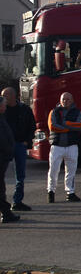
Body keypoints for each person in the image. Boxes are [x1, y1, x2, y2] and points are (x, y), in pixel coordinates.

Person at [2, 86, 36, 211]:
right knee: (2, 176)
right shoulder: (2, 111)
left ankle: (17, 201)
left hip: (20, 144)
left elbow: (32, 125)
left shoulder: (24, 109)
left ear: (13, 96)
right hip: (5, 147)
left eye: (5, 95)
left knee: (20, 176)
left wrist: (27, 141)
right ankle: (3, 203)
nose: (3, 98)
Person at [47, 92, 81, 202]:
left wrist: (63, 124)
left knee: (71, 170)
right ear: (60, 100)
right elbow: (52, 126)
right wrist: (69, 127)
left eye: (68, 99)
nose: (65, 101)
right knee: (53, 170)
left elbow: (79, 126)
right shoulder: (54, 112)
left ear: (72, 100)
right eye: (63, 99)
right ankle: (51, 191)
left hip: (72, 145)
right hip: (57, 146)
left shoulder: (78, 112)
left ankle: (70, 192)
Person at [0, 96, 19, 224]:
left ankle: (6, 213)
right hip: (1, 157)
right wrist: (8, 151)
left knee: (1, 187)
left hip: (4, 157)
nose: (6, 106)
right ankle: (6, 213)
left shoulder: (2, 118)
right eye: (4, 104)